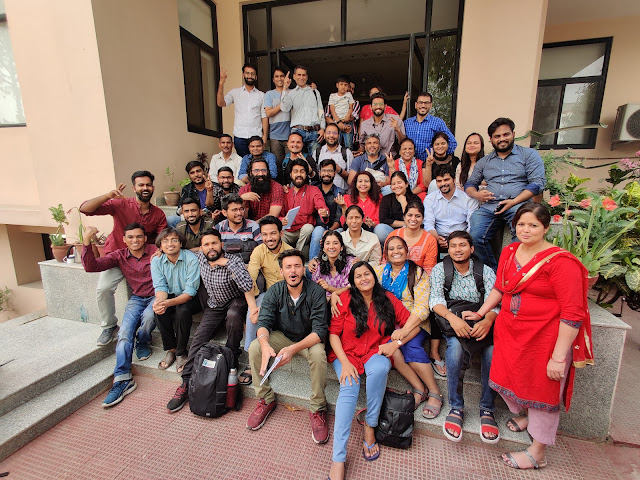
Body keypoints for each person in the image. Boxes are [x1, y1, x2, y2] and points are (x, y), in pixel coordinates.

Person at [464, 203, 594, 470]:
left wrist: (558, 357)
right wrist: (481, 312)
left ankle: (538, 453)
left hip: (544, 338)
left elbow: (573, 313)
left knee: (543, 390)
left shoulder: (561, 262)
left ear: (545, 228)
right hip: (511, 333)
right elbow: (500, 287)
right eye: (521, 224)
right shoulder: (510, 251)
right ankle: (528, 417)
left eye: (533, 225)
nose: (526, 230)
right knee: (512, 378)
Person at [327, 261, 413, 480]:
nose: (363, 278)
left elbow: (413, 324)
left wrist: (396, 344)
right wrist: (345, 362)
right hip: (346, 353)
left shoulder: (388, 299)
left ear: (374, 276)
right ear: (353, 282)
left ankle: (370, 425)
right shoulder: (345, 299)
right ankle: (338, 457)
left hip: (375, 351)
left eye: (367, 274)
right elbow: (333, 334)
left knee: (380, 368)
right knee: (349, 387)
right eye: (358, 276)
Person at [166, 229, 257, 412]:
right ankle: (186, 382)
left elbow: (248, 285)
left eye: (214, 243)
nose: (211, 247)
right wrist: (160, 251)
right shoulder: (199, 258)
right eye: (206, 245)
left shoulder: (234, 260)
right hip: (214, 305)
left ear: (221, 244)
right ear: (201, 248)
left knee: (233, 316)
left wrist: (228, 264)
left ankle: (231, 359)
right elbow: (183, 252)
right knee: (199, 338)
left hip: (235, 301)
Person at [247, 250, 329, 446]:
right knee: (255, 347)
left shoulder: (316, 292)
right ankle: (265, 399)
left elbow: (319, 331)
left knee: (319, 354)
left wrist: (293, 349)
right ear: (281, 271)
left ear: (304, 269)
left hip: (308, 340)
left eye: (297, 266)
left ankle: (317, 408)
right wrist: (265, 345)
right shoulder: (275, 291)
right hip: (283, 336)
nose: (293, 271)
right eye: (288, 267)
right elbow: (263, 323)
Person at [80, 171, 167, 346]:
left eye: (148, 185)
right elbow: (85, 208)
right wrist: (108, 196)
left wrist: (159, 250)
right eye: (141, 185)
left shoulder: (158, 214)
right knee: (104, 288)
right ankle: (109, 326)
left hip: (142, 258)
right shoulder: (120, 204)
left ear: (153, 188)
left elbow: (162, 237)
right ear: (134, 188)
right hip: (116, 256)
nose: (145, 188)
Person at [429, 231, 499, 443]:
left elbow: (495, 302)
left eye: (462, 245)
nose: (457, 250)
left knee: (493, 351)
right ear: (448, 249)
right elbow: (435, 300)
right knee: (455, 349)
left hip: (480, 320)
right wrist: (453, 319)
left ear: (472, 249)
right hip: (453, 321)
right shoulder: (440, 269)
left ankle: (487, 408)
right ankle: (456, 406)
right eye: (453, 246)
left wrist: (487, 321)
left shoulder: (485, 271)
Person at [81, 224, 156, 407]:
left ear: (145, 238)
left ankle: (143, 341)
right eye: (130, 237)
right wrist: (87, 241)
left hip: (157, 295)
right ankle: (123, 378)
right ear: (124, 239)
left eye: (139, 236)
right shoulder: (119, 256)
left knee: (149, 317)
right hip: (137, 298)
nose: (135, 240)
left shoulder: (155, 250)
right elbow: (91, 266)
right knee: (124, 332)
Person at [465, 118, 546, 270]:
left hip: (519, 204)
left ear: (513, 134)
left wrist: (514, 201)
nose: (502, 139)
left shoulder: (528, 155)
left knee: (522, 234)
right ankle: (493, 272)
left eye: (505, 134)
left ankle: (512, 270)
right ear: (491, 139)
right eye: (497, 136)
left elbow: (537, 183)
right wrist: (477, 195)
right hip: (491, 206)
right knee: (474, 237)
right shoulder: (484, 162)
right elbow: (469, 185)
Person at [375, 237, 443, 416]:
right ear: (386, 253)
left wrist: (404, 330)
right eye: (391, 249)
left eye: (400, 248)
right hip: (389, 323)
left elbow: (422, 308)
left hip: (415, 323)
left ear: (407, 251)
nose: (395, 251)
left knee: (410, 346)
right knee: (390, 349)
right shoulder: (379, 271)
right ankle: (419, 388)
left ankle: (435, 391)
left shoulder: (417, 273)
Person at [386, 201, 441, 373]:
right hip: (395, 286)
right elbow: (385, 262)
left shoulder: (429, 239)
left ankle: (434, 353)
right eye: (409, 215)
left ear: (423, 218)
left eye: (418, 216)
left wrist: (414, 280)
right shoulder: (394, 235)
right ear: (404, 217)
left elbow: (429, 269)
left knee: (433, 303)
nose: (413, 219)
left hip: (418, 285)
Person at [242, 216, 294, 386]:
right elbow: (249, 282)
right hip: (270, 295)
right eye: (265, 234)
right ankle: (252, 360)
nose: (269, 238)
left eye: (273, 233)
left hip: (288, 295)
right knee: (253, 311)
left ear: (281, 233)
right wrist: (253, 309)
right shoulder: (259, 251)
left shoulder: (290, 252)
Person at [151, 228, 201, 373]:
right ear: (160, 246)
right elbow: (160, 287)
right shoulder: (157, 261)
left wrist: (168, 303)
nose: (170, 244)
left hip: (192, 297)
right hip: (171, 295)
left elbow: (190, 292)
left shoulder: (190, 258)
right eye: (165, 241)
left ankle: (181, 352)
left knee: (182, 310)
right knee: (159, 309)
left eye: (174, 240)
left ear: (180, 243)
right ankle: (171, 349)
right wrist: (161, 302)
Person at [423, 164, 477, 255]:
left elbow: (472, 225)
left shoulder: (468, 198)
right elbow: (428, 224)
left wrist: (461, 240)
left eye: (446, 180)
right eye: (439, 181)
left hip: (462, 237)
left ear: (454, 180)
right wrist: (437, 238)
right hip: (439, 238)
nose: (443, 184)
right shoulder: (430, 199)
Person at [217, 64, 267, 157]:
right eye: (247, 73)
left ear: (256, 77)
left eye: (252, 74)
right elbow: (221, 103)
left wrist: (265, 136)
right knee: (243, 161)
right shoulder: (235, 92)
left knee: (257, 161)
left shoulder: (261, 95)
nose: (250, 76)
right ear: (243, 75)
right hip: (240, 136)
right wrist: (221, 83)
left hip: (256, 135)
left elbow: (264, 117)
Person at [280, 159, 329, 252]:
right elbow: (279, 214)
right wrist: (282, 220)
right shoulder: (286, 192)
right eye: (295, 171)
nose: (299, 174)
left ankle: (297, 253)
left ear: (306, 174)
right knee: (277, 236)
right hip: (288, 231)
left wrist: (324, 212)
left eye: (302, 172)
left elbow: (322, 206)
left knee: (308, 228)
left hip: (304, 231)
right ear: (290, 174)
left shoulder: (313, 190)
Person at [280, 65, 326, 159]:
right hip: (297, 131)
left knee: (316, 159)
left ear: (307, 77)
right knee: (297, 160)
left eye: (303, 75)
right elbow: (284, 108)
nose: (301, 77)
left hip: (314, 131)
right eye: (299, 75)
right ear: (294, 76)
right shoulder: (290, 93)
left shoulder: (314, 92)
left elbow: (320, 110)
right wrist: (284, 88)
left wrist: (322, 128)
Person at [404, 92, 456, 162]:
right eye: (420, 102)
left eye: (426, 103)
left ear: (431, 105)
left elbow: (452, 142)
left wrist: (440, 157)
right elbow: (401, 142)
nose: (423, 105)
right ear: (416, 105)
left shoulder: (438, 123)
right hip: (410, 164)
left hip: (430, 164)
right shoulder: (407, 123)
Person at [309, 159, 345, 262]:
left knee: (338, 234)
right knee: (318, 232)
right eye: (324, 171)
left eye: (330, 171)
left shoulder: (340, 192)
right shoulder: (313, 189)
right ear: (319, 173)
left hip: (334, 228)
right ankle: (313, 265)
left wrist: (330, 230)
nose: (326, 173)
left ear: (334, 173)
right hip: (316, 227)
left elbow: (339, 218)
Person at [337, 171, 386, 244]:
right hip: (351, 230)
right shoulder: (347, 198)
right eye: (360, 181)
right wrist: (344, 207)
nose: (363, 184)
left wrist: (372, 223)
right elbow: (344, 223)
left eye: (366, 181)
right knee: (336, 234)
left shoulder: (378, 198)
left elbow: (380, 219)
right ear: (356, 183)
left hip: (371, 230)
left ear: (371, 183)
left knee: (380, 230)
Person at [214, 193, 262, 262]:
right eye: (234, 210)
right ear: (224, 212)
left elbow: (262, 249)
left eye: (241, 209)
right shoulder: (219, 228)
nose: (239, 213)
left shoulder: (253, 226)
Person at [358, 92, 405, 158]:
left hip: (391, 160)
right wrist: (359, 152)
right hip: (372, 161)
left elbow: (403, 143)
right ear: (371, 107)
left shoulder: (395, 120)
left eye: (381, 104)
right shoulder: (365, 124)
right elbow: (363, 145)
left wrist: (398, 130)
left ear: (385, 106)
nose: (378, 107)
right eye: (375, 104)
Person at [311, 230, 356, 299]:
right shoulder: (317, 266)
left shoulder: (351, 263)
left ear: (341, 247)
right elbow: (314, 294)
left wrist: (329, 288)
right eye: (327, 243)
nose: (331, 247)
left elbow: (353, 291)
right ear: (323, 248)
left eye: (335, 243)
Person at [378, 171, 421, 242]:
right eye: (393, 184)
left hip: (411, 229)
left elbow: (414, 218)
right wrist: (404, 223)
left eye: (399, 183)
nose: (396, 186)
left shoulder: (415, 199)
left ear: (406, 184)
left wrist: (403, 203)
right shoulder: (386, 199)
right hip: (392, 230)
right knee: (380, 228)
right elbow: (383, 219)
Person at [239, 157, 285, 222]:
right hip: (249, 225)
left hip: (271, 225)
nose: (260, 174)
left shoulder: (276, 187)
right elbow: (243, 217)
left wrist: (253, 225)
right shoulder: (244, 190)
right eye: (256, 171)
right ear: (250, 173)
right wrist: (242, 200)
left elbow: (273, 215)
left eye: (264, 170)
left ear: (268, 172)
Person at [262, 66, 291, 162]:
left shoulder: (292, 93)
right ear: (273, 79)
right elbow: (268, 113)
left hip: (290, 135)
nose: (279, 79)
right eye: (276, 76)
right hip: (275, 136)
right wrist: (282, 103)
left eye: (282, 76)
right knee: (277, 163)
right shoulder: (269, 94)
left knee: (290, 163)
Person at [313, 123, 352, 191]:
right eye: (328, 133)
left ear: (338, 136)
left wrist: (338, 169)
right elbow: (314, 176)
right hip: (321, 193)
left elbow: (351, 178)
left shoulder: (346, 153)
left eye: (334, 133)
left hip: (341, 193)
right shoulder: (317, 152)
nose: (331, 135)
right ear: (324, 135)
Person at [328, 75, 355, 149]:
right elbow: (332, 110)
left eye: (345, 85)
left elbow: (351, 107)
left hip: (347, 122)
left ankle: (349, 156)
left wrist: (348, 115)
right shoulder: (332, 96)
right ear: (337, 85)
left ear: (348, 87)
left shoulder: (349, 95)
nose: (343, 87)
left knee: (348, 144)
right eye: (341, 84)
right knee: (336, 143)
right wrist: (338, 122)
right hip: (336, 123)